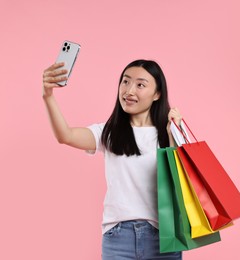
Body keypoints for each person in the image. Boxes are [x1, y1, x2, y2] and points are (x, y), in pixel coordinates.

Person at [42, 59, 183, 260]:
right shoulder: (108, 133)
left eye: (140, 85)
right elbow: (65, 135)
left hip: (164, 236)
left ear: (157, 94)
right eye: (125, 82)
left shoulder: (166, 132)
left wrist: (174, 134)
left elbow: (178, 180)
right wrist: (48, 96)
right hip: (118, 237)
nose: (129, 90)